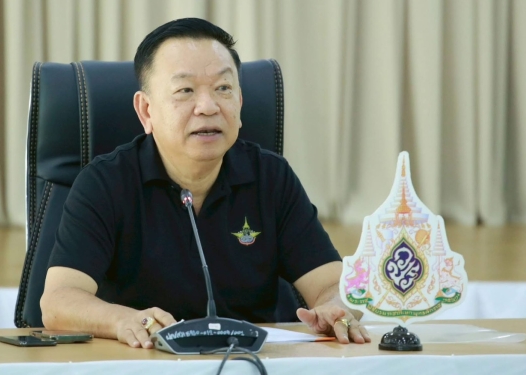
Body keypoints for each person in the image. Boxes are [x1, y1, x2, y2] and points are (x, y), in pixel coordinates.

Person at [40, 18, 370, 349]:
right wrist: (122, 320)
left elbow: (333, 285)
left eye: (223, 88)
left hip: (250, 363)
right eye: (185, 91)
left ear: (240, 103)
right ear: (146, 111)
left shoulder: (271, 178)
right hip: (144, 361)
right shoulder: (105, 183)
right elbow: (58, 301)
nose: (208, 107)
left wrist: (336, 307)